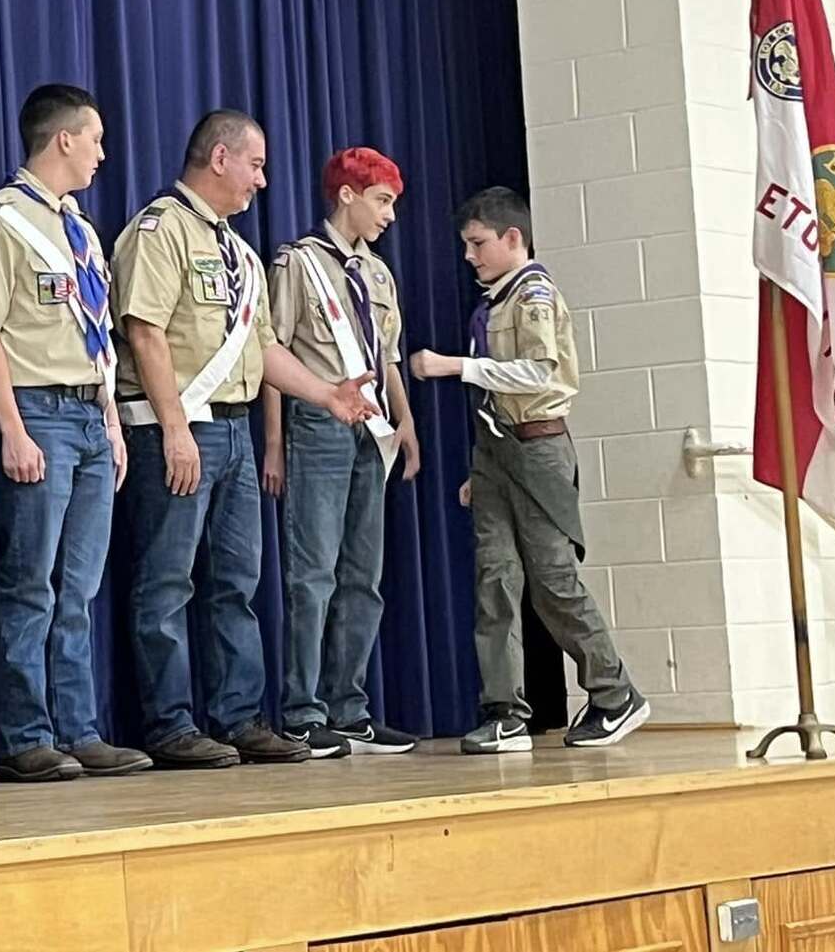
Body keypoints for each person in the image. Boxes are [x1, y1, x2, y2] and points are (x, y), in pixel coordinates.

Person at [110, 109, 376, 768]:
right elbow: (143, 330)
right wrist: (174, 427)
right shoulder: (160, 230)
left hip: (233, 429)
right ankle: (170, 722)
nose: (263, 180)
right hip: (175, 426)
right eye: (255, 164)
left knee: (236, 581)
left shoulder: (241, 252)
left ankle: (237, 714)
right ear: (220, 158)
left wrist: (327, 393)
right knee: (167, 580)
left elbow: (263, 349)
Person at [0, 85, 152, 784]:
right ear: (63, 138)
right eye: (94, 138)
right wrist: (10, 427)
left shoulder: (82, 230)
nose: (102, 153)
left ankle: (79, 726)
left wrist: (109, 416)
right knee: (29, 582)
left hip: (88, 415)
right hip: (35, 411)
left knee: (79, 585)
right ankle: (25, 732)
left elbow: (94, 332)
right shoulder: (1, 223)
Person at [408, 186, 650, 753]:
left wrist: (456, 367)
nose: (469, 256)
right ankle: (504, 711)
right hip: (496, 449)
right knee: (494, 580)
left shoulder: (534, 296)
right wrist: (482, 467)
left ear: (512, 238)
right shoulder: (497, 299)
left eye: (478, 244)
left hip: (538, 449)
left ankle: (615, 693)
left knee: (553, 582)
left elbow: (540, 373)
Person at [260, 148, 421, 760]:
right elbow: (271, 355)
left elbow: (387, 359)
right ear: (348, 195)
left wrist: (405, 422)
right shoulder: (300, 265)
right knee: (313, 574)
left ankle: (350, 706)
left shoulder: (377, 275)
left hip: (371, 427)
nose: (389, 216)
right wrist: (274, 442)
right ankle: (302, 711)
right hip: (318, 425)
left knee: (363, 576)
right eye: (382, 201)